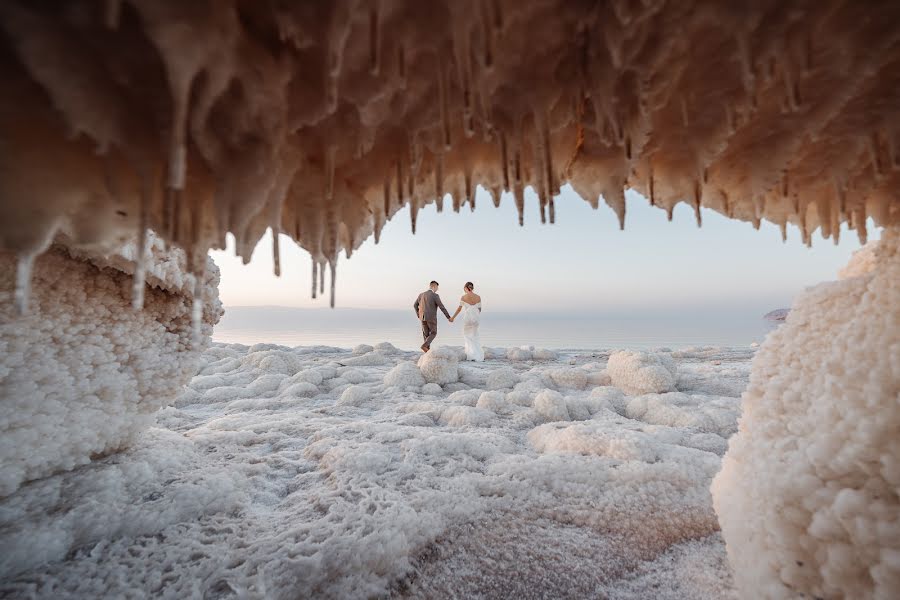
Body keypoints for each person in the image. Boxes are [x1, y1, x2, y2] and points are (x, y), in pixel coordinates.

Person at [413, 280, 452, 352]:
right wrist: (448, 317)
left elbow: (415, 305)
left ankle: (427, 353)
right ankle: (424, 346)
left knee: (426, 335)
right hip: (431, 317)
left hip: (422, 317)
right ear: (434, 286)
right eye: (437, 287)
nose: (437, 289)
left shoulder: (421, 294)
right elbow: (442, 307)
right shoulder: (435, 295)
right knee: (434, 333)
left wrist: (418, 314)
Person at [450, 282, 484, 362]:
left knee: (467, 336)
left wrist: (453, 318)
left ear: (466, 288)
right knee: (475, 336)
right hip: (476, 319)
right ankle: (478, 355)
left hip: (467, 318)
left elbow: (459, 309)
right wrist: (475, 314)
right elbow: (479, 309)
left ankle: (471, 355)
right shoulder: (478, 297)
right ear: (472, 288)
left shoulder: (464, 297)